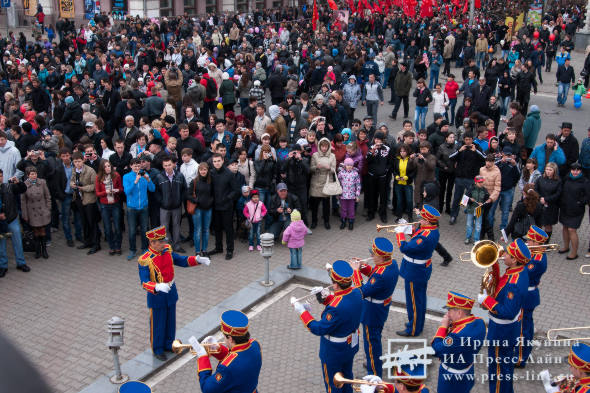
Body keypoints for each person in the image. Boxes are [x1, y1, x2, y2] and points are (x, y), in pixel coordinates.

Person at [138, 226, 210, 360]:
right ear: (152, 243)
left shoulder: (167, 251)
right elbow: (144, 282)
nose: (163, 244)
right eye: (160, 242)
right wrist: (157, 286)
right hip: (157, 295)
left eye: (163, 241)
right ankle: (158, 349)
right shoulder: (145, 259)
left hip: (171, 291)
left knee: (170, 322)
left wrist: (197, 260)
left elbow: (181, 261)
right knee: (158, 324)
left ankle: (169, 344)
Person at [291, 260, 362, 393]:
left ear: (335, 285)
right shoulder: (357, 292)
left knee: (334, 385)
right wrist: (325, 296)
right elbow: (343, 303)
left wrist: (302, 311)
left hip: (334, 351)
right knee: (347, 378)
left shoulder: (335, 308)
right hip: (350, 345)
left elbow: (318, 328)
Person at [477, 238, 530, 393]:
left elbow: (508, 312)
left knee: (498, 369)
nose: (503, 254)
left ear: (514, 260)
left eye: (506, 253)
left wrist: (486, 300)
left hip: (502, 331)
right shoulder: (518, 270)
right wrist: (494, 264)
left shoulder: (515, 281)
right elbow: (501, 286)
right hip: (506, 329)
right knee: (504, 367)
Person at [350, 237, 399, 377]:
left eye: (373, 254)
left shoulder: (381, 276)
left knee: (371, 343)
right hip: (380, 308)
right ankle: (374, 362)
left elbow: (361, 292)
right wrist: (363, 266)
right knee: (374, 340)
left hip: (372, 312)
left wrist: (355, 271)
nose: (371, 256)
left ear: (382, 257)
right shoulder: (391, 264)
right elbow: (374, 274)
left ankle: (375, 374)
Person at [394, 205, 440, 336]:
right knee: (419, 300)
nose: (420, 221)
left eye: (423, 219)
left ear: (428, 221)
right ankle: (416, 323)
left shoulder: (426, 235)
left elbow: (405, 248)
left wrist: (400, 234)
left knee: (414, 302)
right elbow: (417, 236)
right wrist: (408, 229)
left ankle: (413, 329)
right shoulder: (431, 229)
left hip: (415, 271)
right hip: (420, 270)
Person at [191, 310, 261, 392]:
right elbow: (237, 357)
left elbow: (207, 389)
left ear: (230, 339)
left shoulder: (226, 369)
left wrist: (203, 357)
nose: (224, 339)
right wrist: (217, 349)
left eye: (224, 336)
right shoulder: (255, 345)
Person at [431, 291, 486, 393]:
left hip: (451, 379)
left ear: (459, 313)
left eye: (450, 310)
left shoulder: (457, 336)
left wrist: (443, 326)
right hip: (468, 372)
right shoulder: (480, 322)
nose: (447, 314)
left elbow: (435, 349)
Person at [516, 226, 548, 368]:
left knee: (523, 329)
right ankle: (525, 352)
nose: (527, 243)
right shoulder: (534, 254)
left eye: (529, 241)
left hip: (527, 295)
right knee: (527, 325)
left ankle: (520, 357)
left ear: (536, 242)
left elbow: (522, 274)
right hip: (528, 294)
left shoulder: (538, 259)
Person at [449, 132, 486, 225]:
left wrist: (476, 151)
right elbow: (450, 157)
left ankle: (471, 214)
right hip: (460, 178)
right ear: (463, 139)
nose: (468, 142)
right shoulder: (459, 146)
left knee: (470, 197)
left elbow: (485, 159)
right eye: (466, 140)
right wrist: (459, 151)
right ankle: (454, 215)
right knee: (457, 197)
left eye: (470, 139)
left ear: (472, 140)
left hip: (471, 178)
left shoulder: (476, 147)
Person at [123, 157, 155, 260]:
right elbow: (127, 192)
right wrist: (135, 181)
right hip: (132, 208)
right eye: (135, 165)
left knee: (144, 229)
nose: (137, 167)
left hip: (144, 207)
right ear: (131, 166)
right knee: (132, 230)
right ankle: (132, 250)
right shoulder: (126, 177)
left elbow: (152, 189)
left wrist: (148, 179)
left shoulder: (145, 175)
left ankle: (145, 248)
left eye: (138, 165)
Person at [208, 153, 238, 260]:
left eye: (218, 161)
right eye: (214, 161)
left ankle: (230, 250)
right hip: (215, 206)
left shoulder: (229, 174)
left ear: (223, 161)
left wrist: (227, 198)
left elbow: (235, 190)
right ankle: (218, 247)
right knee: (217, 229)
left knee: (228, 229)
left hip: (226, 206)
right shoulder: (211, 173)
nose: (216, 163)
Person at [155, 157, 187, 253]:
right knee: (164, 227)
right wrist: (161, 201)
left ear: (173, 164)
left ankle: (177, 245)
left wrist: (179, 200)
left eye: (169, 165)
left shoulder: (180, 176)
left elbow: (184, 189)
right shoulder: (159, 177)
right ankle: (167, 246)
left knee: (176, 226)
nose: (168, 167)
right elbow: (156, 191)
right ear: (163, 166)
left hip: (176, 206)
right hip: (164, 207)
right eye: (165, 165)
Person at [71, 151, 100, 254]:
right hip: (79, 199)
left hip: (89, 200)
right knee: (84, 222)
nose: (77, 164)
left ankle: (96, 244)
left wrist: (83, 188)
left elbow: (94, 186)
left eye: (79, 161)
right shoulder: (74, 170)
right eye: (75, 162)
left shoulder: (90, 170)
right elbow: (71, 180)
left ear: (83, 160)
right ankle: (88, 241)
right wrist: (72, 185)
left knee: (92, 222)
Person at [558, 163, 589, 260]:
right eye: (573, 170)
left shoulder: (585, 181)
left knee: (572, 229)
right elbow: (561, 190)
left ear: (580, 171)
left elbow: (588, 196)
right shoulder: (566, 178)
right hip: (565, 208)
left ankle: (574, 253)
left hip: (576, 210)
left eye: (577, 170)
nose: (575, 172)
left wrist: (580, 202)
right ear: (570, 170)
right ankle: (566, 247)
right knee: (565, 227)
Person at [21, 167, 51, 259]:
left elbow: (47, 196)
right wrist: (25, 215)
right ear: (28, 175)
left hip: (42, 210)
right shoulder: (24, 185)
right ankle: (37, 250)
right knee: (35, 232)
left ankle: (44, 250)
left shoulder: (42, 182)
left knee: (42, 231)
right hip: (32, 212)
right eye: (32, 174)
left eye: (35, 174)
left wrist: (48, 209)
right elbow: (23, 202)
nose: (34, 176)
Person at [95, 160, 123, 255]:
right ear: (102, 168)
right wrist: (105, 192)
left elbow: (121, 189)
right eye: (105, 166)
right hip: (104, 205)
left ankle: (118, 246)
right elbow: (97, 193)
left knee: (117, 227)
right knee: (107, 228)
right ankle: (111, 246)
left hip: (115, 203)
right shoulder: (98, 177)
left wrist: (116, 191)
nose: (108, 168)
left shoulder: (116, 175)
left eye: (109, 166)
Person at [188, 162, 214, 257]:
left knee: (206, 230)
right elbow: (188, 194)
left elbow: (213, 194)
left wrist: (211, 201)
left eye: (205, 169)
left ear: (207, 170)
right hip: (197, 209)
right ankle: (197, 251)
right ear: (198, 171)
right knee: (198, 230)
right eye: (201, 170)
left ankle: (204, 250)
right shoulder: (194, 181)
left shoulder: (211, 181)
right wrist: (196, 200)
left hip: (208, 209)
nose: (203, 171)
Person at [310, 138, 336, 229]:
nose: (324, 148)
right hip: (316, 182)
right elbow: (311, 168)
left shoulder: (332, 156)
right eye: (322, 146)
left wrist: (330, 168)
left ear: (328, 146)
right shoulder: (315, 155)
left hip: (327, 182)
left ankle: (326, 221)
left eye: (326, 146)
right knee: (315, 205)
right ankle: (314, 221)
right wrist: (316, 167)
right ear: (319, 146)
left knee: (326, 205)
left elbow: (334, 170)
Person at [366, 132, 392, 223]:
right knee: (372, 195)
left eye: (379, 139)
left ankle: (383, 214)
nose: (377, 141)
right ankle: (371, 213)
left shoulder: (387, 148)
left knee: (383, 196)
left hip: (383, 176)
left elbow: (390, 162)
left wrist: (386, 170)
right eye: (376, 139)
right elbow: (367, 160)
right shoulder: (371, 147)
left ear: (383, 140)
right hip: (372, 175)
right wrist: (373, 151)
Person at [359, 364, 430, 393]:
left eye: (395, 381)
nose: (394, 383)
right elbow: (395, 389)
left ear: (402, 386)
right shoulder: (423, 390)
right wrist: (381, 385)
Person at [464, 175, 490, 244]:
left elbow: (487, 202)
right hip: (471, 210)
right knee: (469, 225)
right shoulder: (470, 189)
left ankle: (476, 240)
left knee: (478, 226)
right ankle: (468, 238)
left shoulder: (485, 191)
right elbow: (464, 200)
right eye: (479, 182)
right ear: (475, 182)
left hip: (479, 211)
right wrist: (470, 199)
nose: (481, 183)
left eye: (482, 182)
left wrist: (483, 204)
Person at [337, 158, 361, 230]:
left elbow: (358, 185)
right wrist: (338, 194)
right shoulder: (341, 173)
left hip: (352, 196)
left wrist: (357, 195)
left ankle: (351, 222)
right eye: (347, 165)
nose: (349, 166)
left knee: (351, 209)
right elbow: (338, 184)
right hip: (343, 195)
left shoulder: (355, 173)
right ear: (345, 165)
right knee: (343, 209)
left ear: (353, 166)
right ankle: (343, 221)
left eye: (351, 165)